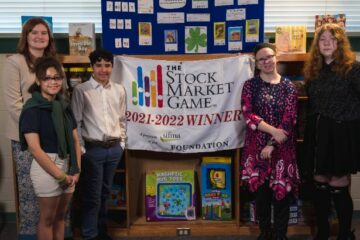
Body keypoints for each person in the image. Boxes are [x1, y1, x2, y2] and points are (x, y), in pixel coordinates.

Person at [2, 17, 58, 240]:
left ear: (49, 38)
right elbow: (14, 104)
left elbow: (58, 98)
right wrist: (36, 129)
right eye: (34, 32)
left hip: (52, 137)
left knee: (54, 188)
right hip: (26, 138)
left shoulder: (53, 62)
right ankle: (29, 235)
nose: (39, 37)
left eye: (44, 33)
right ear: (26, 36)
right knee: (30, 191)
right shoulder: (14, 62)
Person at [303, 23, 360, 240]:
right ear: (317, 44)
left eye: (333, 39)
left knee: (337, 183)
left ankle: (345, 234)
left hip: (341, 133)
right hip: (317, 133)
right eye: (323, 39)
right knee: (319, 182)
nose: (327, 43)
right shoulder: (313, 71)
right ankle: (323, 232)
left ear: (340, 43)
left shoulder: (353, 69)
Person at [241, 43, 299, 240]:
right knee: (261, 196)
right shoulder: (250, 85)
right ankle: (265, 233)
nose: (266, 61)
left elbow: (289, 119)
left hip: (282, 149)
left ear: (276, 57)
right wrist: (273, 132)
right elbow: (249, 116)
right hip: (256, 148)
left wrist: (272, 143)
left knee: (281, 195)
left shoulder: (289, 87)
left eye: (269, 57)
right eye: (261, 59)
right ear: (256, 63)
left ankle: (281, 235)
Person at [19, 56, 81, 240]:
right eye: (47, 78)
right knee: (47, 219)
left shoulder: (64, 106)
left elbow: (76, 141)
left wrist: (76, 170)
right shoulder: (32, 109)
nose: (53, 82)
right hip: (47, 166)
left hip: (69, 165)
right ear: (38, 81)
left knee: (61, 217)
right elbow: (35, 149)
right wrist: (59, 175)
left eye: (57, 77)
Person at [71, 48, 127, 240]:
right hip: (92, 149)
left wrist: (122, 143)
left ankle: (101, 231)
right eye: (99, 65)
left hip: (114, 149)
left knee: (105, 193)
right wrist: (83, 149)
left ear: (112, 66)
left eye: (107, 65)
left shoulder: (119, 90)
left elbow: (122, 119)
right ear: (92, 67)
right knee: (92, 196)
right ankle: (89, 234)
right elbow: (76, 122)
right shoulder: (81, 90)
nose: (103, 70)